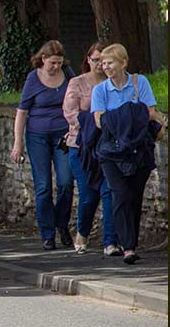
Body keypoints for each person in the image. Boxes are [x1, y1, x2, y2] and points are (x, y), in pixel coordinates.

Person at [91, 43, 161, 265]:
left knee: (135, 196)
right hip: (111, 152)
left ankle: (130, 241)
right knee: (120, 195)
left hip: (139, 149)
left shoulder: (140, 83)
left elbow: (150, 112)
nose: (105, 66)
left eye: (109, 62)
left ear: (123, 62)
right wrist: (131, 113)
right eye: (103, 63)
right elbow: (100, 121)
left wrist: (121, 118)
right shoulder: (100, 90)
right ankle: (128, 247)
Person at [10, 40, 76, 250]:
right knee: (43, 186)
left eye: (59, 63)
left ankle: (62, 224)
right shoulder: (33, 78)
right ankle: (47, 233)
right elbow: (22, 112)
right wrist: (17, 143)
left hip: (62, 135)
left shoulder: (68, 74)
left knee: (66, 182)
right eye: (52, 63)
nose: (56, 67)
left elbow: (78, 98)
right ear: (43, 58)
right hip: (37, 135)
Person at [63, 42, 118, 256]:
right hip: (80, 145)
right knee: (88, 194)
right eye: (95, 60)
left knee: (108, 191)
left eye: (103, 61)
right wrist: (95, 122)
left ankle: (110, 242)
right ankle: (82, 233)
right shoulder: (77, 83)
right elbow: (70, 114)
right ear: (88, 60)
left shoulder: (112, 84)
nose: (99, 65)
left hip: (106, 146)